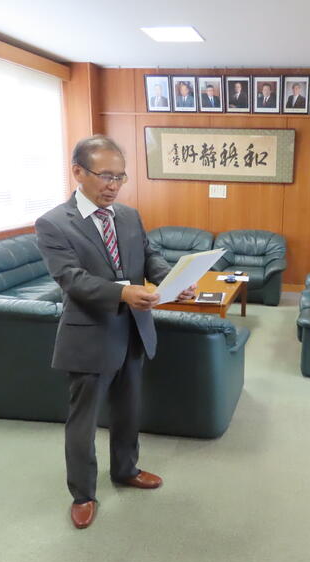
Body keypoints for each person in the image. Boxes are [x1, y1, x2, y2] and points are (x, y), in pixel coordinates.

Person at [35, 135, 196, 530]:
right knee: (84, 421)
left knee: (128, 409)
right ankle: (83, 494)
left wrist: (172, 280)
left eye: (120, 177)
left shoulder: (128, 215)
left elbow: (149, 257)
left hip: (134, 330)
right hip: (90, 334)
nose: (113, 185)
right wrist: (122, 293)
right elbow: (71, 278)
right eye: (105, 176)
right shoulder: (53, 223)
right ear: (78, 172)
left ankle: (126, 470)